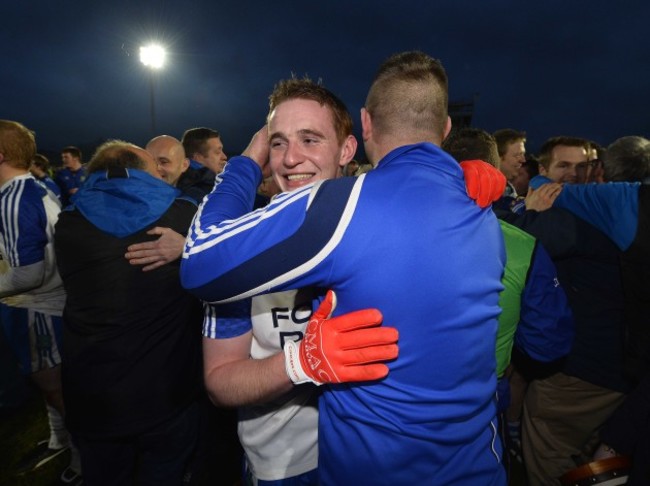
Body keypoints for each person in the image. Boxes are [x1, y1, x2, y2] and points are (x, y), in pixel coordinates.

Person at [181, 51, 507, 485]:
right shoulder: (243, 250)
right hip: (289, 466)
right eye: (276, 142)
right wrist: (301, 362)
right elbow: (220, 382)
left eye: (311, 139)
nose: (291, 158)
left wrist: (455, 175)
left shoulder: (361, 208)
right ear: (446, 129)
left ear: (356, 138)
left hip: (365, 462)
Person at [54, 140, 204, 485]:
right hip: (165, 393)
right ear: (143, 175)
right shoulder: (181, 216)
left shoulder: (68, 225)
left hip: (92, 395)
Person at [443, 127, 575, 472]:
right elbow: (547, 344)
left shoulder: (390, 229)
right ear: (494, 171)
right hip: (479, 407)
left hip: (394, 411)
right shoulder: (521, 246)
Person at [0, 120, 81, 484]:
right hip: (44, 303)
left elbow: (28, 274)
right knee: (52, 387)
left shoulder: (14, 198)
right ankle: (59, 439)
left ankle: (83, 462)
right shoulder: (34, 187)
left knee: (57, 389)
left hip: (37, 308)